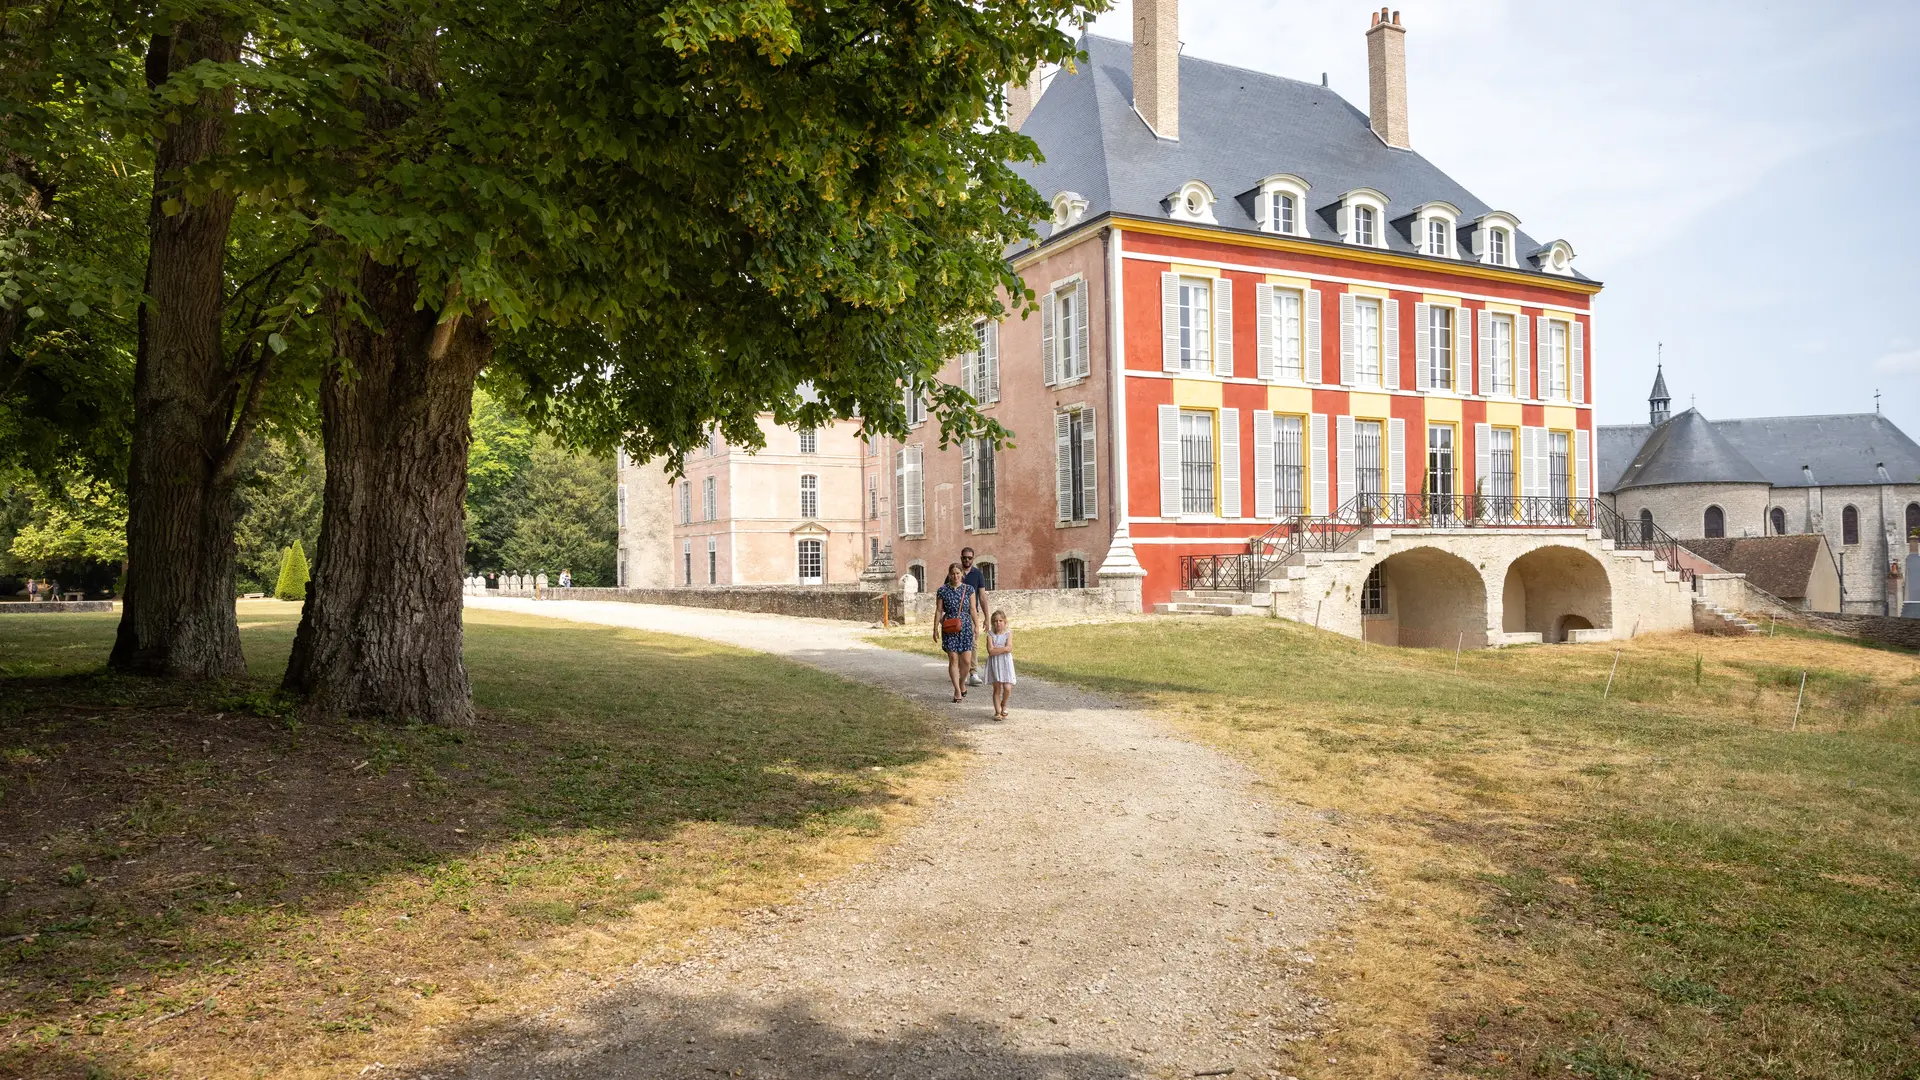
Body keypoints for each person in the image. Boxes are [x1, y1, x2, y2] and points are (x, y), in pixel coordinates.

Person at [931, 562, 977, 703]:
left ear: (962, 574)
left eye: (958, 573)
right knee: (953, 658)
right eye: (953, 573)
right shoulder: (942, 590)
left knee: (967, 660)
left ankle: (962, 682)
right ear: (949, 575)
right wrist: (934, 628)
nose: (955, 576)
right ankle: (957, 690)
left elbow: (973, 609)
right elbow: (939, 610)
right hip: (949, 625)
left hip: (966, 626)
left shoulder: (969, 589)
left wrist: (977, 626)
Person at [959, 547, 991, 685]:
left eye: (969, 558)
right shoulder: (955, 572)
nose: (967, 560)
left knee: (973, 643)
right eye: (965, 557)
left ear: (973, 559)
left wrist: (987, 618)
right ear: (961, 558)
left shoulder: (978, 574)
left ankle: (973, 673)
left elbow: (982, 597)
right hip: (956, 615)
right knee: (958, 643)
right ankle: (962, 672)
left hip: (972, 614)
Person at [984, 609, 1016, 721]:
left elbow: (1009, 648)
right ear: (993, 623)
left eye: (1000, 621)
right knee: (997, 689)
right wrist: (1002, 649)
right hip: (995, 663)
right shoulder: (990, 635)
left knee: (1007, 687)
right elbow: (990, 651)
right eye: (996, 621)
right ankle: (997, 712)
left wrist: (997, 649)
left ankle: (1004, 703)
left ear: (1005, 622)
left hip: (1005, 663)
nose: (998, 623)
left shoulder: (1008, 634)